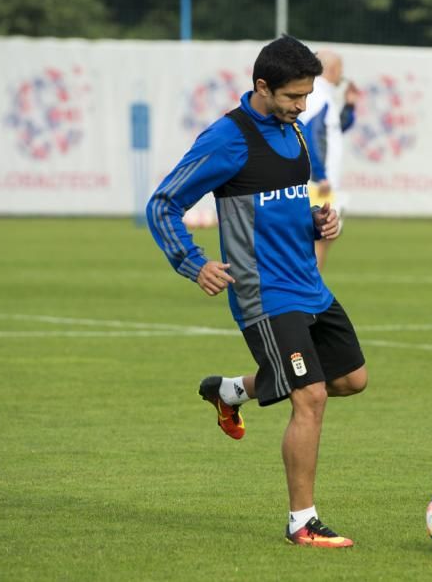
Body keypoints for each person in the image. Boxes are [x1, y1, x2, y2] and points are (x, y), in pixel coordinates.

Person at [146, 35, 367, 548]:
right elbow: (162, 204)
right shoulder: (228, 139)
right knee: (310, 396)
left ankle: (231, 390)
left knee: (351, 380)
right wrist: (193, 262)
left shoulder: (296, 131)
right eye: (293, 97)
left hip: (308, 284)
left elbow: (281, 202)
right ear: (262, 87)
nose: (302, 106)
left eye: (308, 96)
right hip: (263, 293)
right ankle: (302, 522)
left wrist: (316, 220)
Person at [298, 49, 358, 269]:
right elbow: (312, 134)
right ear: (332, 69)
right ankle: (309, 290)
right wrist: (320, 176)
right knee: (321, 234)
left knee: (325, 234)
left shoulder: (320, 96)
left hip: (319, 179)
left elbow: (334, 130)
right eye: (340, 69)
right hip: (317, 181)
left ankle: (309, 288)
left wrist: (349, 106)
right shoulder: (318, 96)